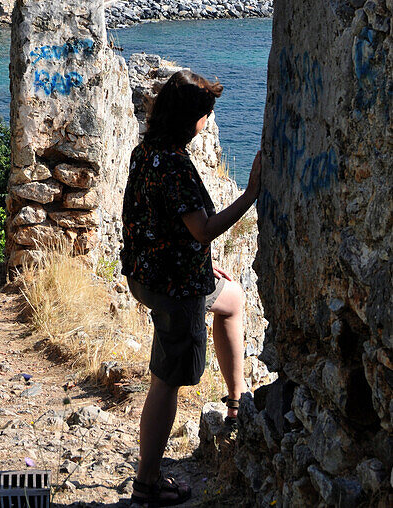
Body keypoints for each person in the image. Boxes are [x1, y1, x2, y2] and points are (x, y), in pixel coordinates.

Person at [121, 68, 262, 506]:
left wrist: (203, 261)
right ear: (192, 119)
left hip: (149, 274)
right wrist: (252, 193)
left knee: (232, 300)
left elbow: (158, 219)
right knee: (166, 380)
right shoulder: (176, 166)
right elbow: (201, 229)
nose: (208, 122)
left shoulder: (147, 152)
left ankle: (236, 402)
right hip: (174, 287)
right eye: (206, 115)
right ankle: (147, 483)